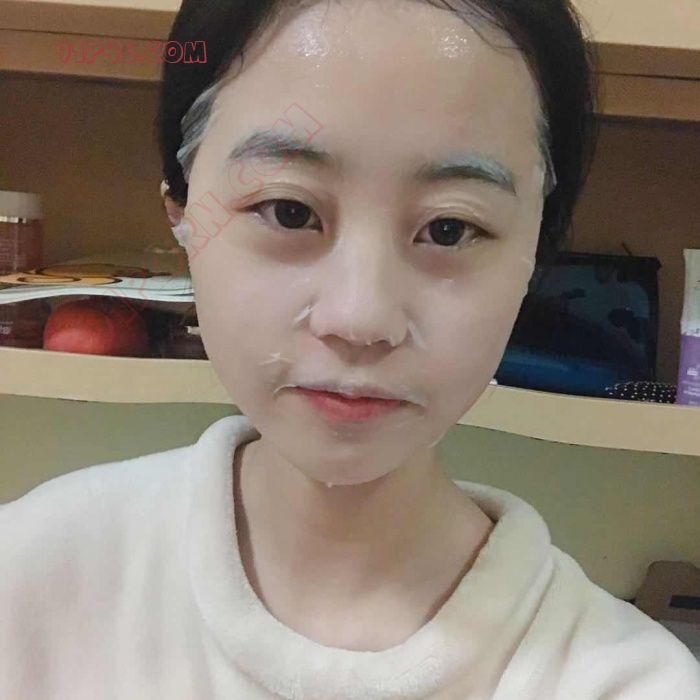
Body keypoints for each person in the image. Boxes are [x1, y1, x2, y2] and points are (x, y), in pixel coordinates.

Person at [2, 0, 699, 698]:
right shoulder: (33, 578)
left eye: (450, 229)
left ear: (534, 255)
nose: (360, 319)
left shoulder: (630, 682)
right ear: (183, 216)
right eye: (290, 211)